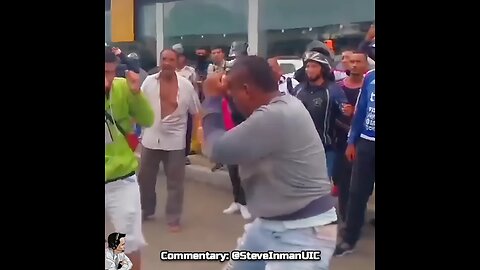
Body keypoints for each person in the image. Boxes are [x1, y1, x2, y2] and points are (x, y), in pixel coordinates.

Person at [202, 56, 337, 270]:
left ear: (246, 90)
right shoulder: (282, 105)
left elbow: (217, 149)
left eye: (233, 94)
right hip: (268, 225)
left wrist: (211, 99)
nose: (233, 100)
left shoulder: (277, 115)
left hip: (303, 232)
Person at [138, 49, 201, 232]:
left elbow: (196, 112)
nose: (167, 62)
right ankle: (146, 209)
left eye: (171, 59)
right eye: (164, 59)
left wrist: (198, 133)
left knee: (175, 182)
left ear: (177, 62)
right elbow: (139, 105)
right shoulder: (149, 82)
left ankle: (173, 217)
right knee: (145, 179)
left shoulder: (186, 86)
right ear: (160, 61)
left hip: (175, 140)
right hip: (151, 137)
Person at [105, 49, 154, 270]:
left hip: (121, 178)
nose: (108, 79)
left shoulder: (122, 87)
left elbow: (148, 119)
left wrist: (135, 93)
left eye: (112, 72)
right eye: (104, 72)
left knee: (127, 241)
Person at [334, 68, 375, 256]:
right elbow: (361, 109)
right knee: (357, 192)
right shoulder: (370, 76)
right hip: (366, 143)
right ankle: (349, 239)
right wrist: (352, 141)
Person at [293, 51, 353, 180]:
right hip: (300, 148)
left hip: (325, 148)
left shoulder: (333, 89)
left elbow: (344, 108)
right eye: (307, 66)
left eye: (314, 66)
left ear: (323, 69)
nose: (309, 69)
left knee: (322, 186)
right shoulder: (298, 89)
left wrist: (346, 110)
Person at [332, 51, 369, 222]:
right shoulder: (338, 87)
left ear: (366, 65)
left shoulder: (369, 86)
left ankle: (356, 214)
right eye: (351, 61)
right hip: (341, 141)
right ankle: (346, 217)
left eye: (358, 62)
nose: (354, 65)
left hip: (364, 140)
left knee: (364, 183)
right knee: (343, 181)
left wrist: (355, 112)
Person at [173, 43, 198, 165]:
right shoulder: (168, 71)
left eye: (180, 56)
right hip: (171, 105)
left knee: (187, 130)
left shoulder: (190, 71)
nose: (178, 59)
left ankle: (184, 155)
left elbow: (195, 88)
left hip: (186, 105)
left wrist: (196, 103)